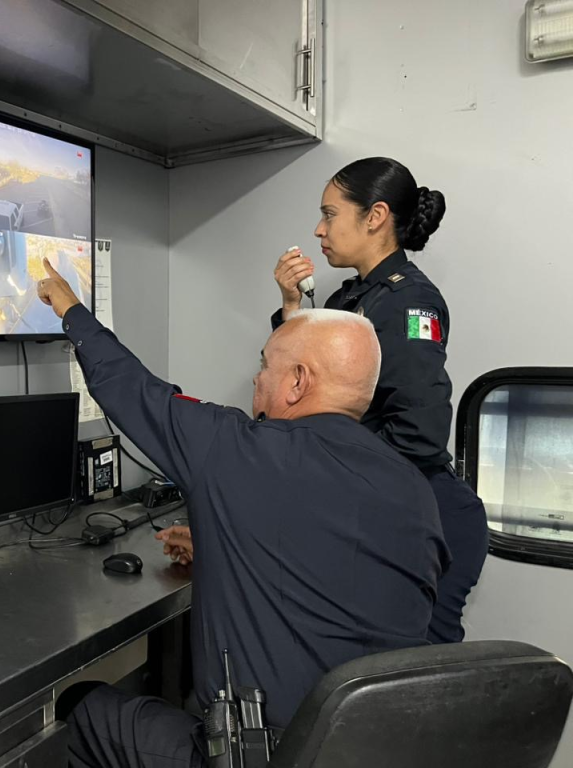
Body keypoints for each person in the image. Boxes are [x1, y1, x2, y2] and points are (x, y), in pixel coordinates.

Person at [36, 259, 448, 768]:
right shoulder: (415, 488)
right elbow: (339, 570)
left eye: (265, 365)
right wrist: (222, 543)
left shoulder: (238, 448)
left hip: (265, 756)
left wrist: (69, 307)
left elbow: (133, 389)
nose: (256, 378)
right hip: (376, 752)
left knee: (84, 708)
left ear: (297, 382)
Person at [271, 157, 488, 644]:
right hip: (386, 504)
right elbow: (305, 388)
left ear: (375, 217)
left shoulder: (410, 302)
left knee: (414, 670)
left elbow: (419, 432)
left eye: (330, 214)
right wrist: (291, 307)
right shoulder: (351, 299)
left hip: (427, 515)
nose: (319, 229)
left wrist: (329, 478)